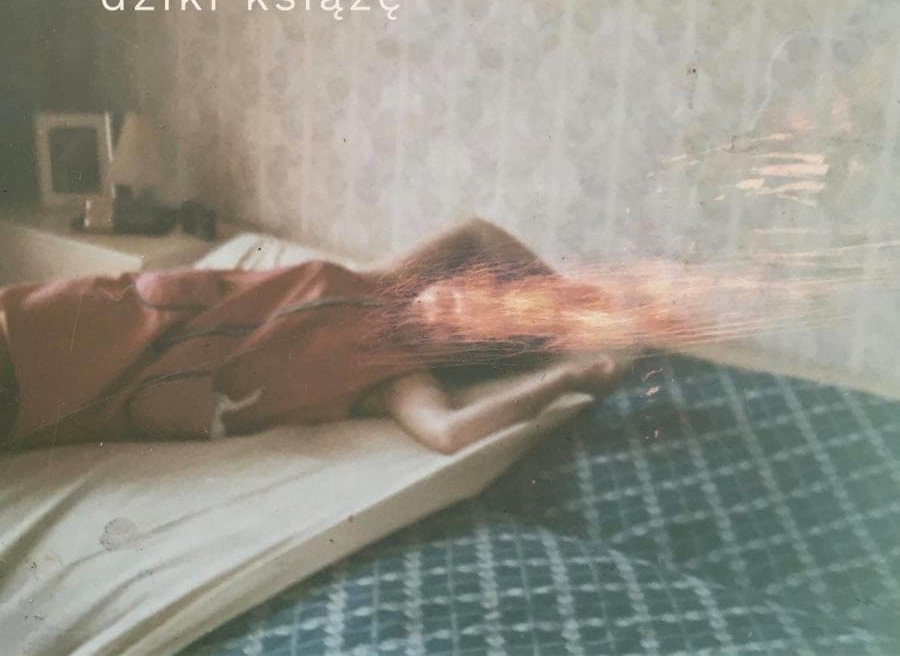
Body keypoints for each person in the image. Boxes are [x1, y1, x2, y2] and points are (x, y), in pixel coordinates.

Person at [0, 219, 634, 454]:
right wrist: (560, 299)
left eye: (470, 315)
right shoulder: (378, 281)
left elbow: (449, 433)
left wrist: (568, 375)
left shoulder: (395, 374)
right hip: (75, 315)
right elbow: (476, 233)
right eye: (463, 286)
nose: (452, 295)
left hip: (83, 386)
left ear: (466, 350)